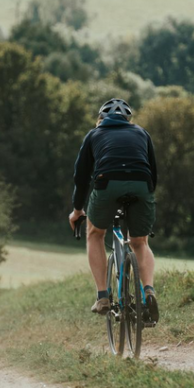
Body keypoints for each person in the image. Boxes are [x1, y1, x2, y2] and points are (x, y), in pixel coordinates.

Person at [68, 98, 159, 325]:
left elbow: (81, 177)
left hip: (107, 183)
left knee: (95, 234)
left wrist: (77, 209)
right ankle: (148, 291)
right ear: (128, 119)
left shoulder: (94, 134)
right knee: (140, 242)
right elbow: (153, 173)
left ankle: (102, 297)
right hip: (142, 184)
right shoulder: (142, 133)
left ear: (101, 119)